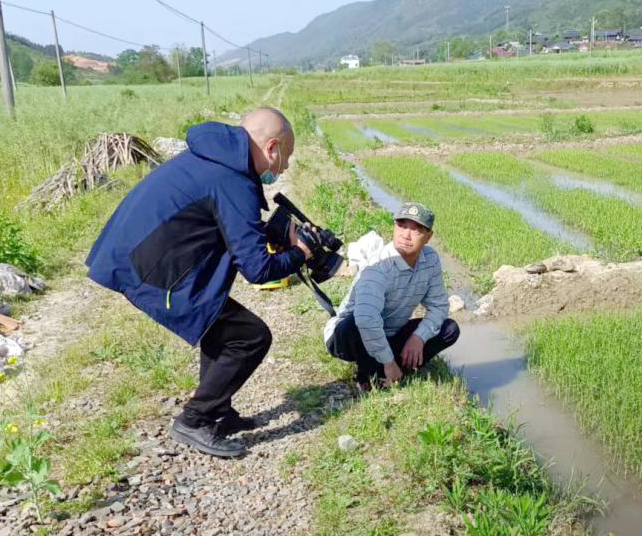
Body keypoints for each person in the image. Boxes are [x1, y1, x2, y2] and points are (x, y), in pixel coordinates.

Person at [85, 107, 313, 458]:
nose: (284, 167)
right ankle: (196, 419)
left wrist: (270, 232)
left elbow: (226, 224)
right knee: (250, 337)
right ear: (272, 147)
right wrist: (301, 254)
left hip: (138, 253)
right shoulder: (232, 179)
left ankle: (218, 413)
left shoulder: (217, 158)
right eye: (287, 157)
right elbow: (258, 270)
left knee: (217, 322)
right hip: (150, 269)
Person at [324, 202, 460, 391]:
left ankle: (392, 367)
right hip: (348, 336)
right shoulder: (378, 266)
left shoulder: (430, 260)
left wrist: (419, 337)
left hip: (390, 333)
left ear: (428, 236)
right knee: (358, 321)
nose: (406, 235)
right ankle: (375, 372)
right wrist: (389, 362)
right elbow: (366, 320)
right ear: (394, 227)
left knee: (449, 329)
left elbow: (439, 306)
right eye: (402, 226)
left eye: (416, 230)